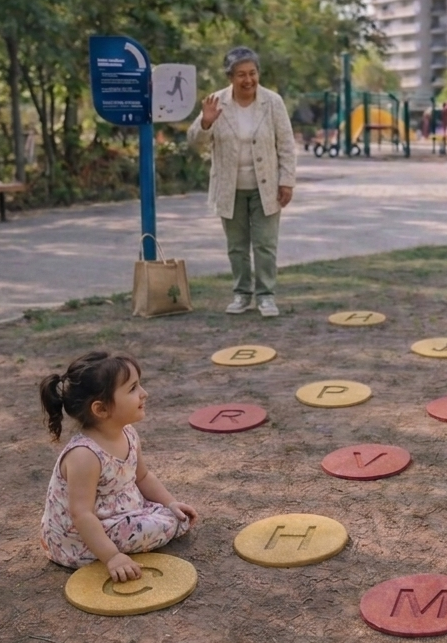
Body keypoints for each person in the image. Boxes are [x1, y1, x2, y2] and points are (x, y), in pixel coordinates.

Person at [39, 351, 197, 581]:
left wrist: (170, 502)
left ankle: (149, 519)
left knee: (175, 517)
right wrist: (113, 557)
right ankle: (113, 546)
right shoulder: (84, 455)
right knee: (163, 525)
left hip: (117, 514)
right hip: (81, 538)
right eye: (132, 389)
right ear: (101, 409)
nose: (144, 394)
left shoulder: (128, 433)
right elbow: (81, 514)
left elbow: (143, 477)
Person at [187, 46, 296, 318]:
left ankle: (266, 296)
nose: (248, 80)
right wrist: (206, 124)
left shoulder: (273, 102)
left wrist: (287, 181)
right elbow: (194, 142)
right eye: (241, 75)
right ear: (230, 76)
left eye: (253, 73)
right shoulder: (216, 102)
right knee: (237, 246)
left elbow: (286, 144)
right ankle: (241, 294)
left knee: (265, 244)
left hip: (266, 186)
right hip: (230, 187)